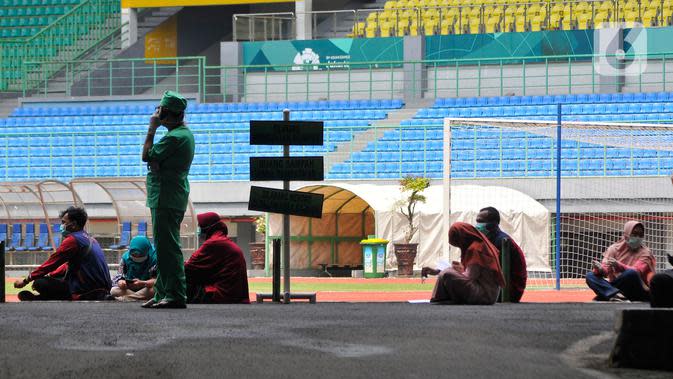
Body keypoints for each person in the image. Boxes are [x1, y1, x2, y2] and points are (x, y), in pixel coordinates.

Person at [141, 90, 195, 309]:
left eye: (160, 111)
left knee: (169, 249)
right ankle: (162, 292)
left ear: (168, 114)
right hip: (166, 196)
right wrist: (156, 163)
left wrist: (151, 128)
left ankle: (175, 294)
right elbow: (152, 161)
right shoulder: (180, 135)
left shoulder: (175, 137)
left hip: (167, 197)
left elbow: (146, 156)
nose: (156, 114)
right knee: (162, 249)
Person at [13, 206, 112, 301]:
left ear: (73, 224)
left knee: (39, 283)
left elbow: (51, 263)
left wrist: (26, 280)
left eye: (64, 222)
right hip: (103, 287)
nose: (62, 226)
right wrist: (52, 275)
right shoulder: (91, 239)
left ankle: (47, 297)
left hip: (86, 289)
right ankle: (42, 298)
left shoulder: (73, 240)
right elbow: (67, 265)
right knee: (54, 278)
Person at [421, 222, 505, 305]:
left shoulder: (476, 249)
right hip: (488, 293)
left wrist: (453, 269)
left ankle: (439, 299)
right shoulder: (480, 245)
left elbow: (470, 276)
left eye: (458, 242)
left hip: (484, 295)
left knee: (447, 274)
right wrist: (438, 271)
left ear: (463, 238)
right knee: (447, 272)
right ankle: (442, 299)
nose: (460, 246)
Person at [184, 212, 250, 304]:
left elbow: (191, 267)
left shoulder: (214, 242)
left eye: (199, 226)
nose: (198, 231)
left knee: (179, 280)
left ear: (207, 227)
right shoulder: (222, 240)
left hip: (221, 294)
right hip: (233, 294)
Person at [586, 221, 655, 302]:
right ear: (626, 234)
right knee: (590, 276)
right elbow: (605, 270)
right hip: (619, 288)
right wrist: (599, 269)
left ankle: (607, 295)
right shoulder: (614, 249)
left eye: (641, 235)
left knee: (631, 273)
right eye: (634, 234)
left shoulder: (646, 253)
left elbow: (637, 271)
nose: (638, 237)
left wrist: (619, 266)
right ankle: (616, 295)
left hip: (638, 290)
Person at [475, 207, 527, 303]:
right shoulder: (490, 239)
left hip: (508, 292)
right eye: (477, 221)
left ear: (493, 224)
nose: (477, 225)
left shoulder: (501, 241)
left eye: (480, 221)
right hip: (501, 287)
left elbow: (495, 272)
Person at [110, 236, 157, 301]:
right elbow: (119, 277)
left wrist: (143, 283)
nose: (137, 258)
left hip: (146, 288)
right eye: (134, 256)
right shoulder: (125, 258)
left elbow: (158, 280)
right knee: (113, 290)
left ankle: (127, 298)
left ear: (147, 251)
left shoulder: (155, 259)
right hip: (131, 289)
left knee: (155, 290)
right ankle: (138, 297)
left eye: (140, 256)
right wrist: (121, 283)